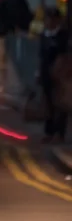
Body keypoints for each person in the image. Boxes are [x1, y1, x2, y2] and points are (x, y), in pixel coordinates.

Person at [39, 8, 69, 143]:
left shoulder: (63, 35)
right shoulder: (44, 35)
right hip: (46, 72)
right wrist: (38, 72)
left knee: (61, 104)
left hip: (60, 73)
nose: (49, 22)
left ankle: (59, 134)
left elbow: (65, 55)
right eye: (47, 19)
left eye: (52, 19)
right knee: (48, 103)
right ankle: (49, 132)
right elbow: (41, 55)